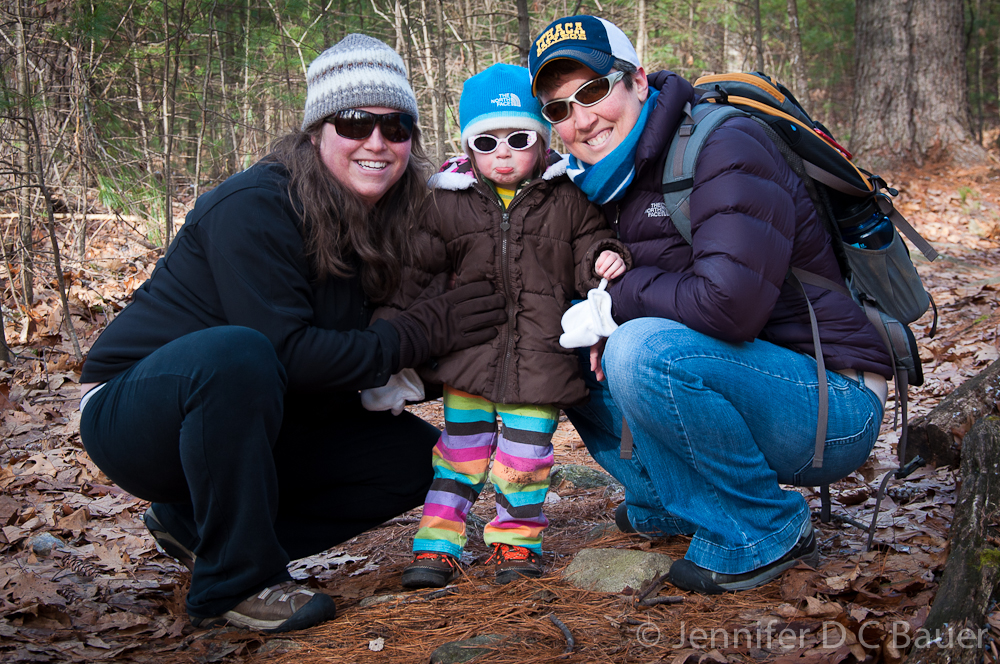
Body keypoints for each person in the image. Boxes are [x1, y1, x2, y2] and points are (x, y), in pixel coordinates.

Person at [77, 34, 507, 633]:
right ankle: (236, 581)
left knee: (413, 461)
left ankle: (199, 531)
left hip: (261, 412)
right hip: (139, 414)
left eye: (396, 126)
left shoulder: (397, 215)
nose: (376, 142)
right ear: (315, 132)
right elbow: (286, 354)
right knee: (238, 352)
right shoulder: (254, 206)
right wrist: (422, 333)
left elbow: (361, 359)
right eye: (354, 123)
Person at [528, 16, 893, 594]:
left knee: (637, 346)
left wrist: (614, 301)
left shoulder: (724, 143)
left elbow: (729, 307)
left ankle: (763, 526)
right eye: (558, 110)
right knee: (557, 340)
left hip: (830, 404)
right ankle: (672, 502)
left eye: (593, 91)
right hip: (750, 381)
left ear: (638, 82)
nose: (581, 119)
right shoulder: (606, 182)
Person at [380, 63, 630, 589]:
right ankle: (436, 545)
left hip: (540, 361)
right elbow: (417, 277)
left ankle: (515, 543)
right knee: (458, 457)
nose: (504, 153)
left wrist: (605, 257)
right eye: (487, 142)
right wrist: (392, 349)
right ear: (468, 148)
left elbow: (590, 245)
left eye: (519, 139)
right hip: (469, 359)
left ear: (542, 142)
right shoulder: (445, 203)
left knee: (525, 461)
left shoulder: (568, 198)